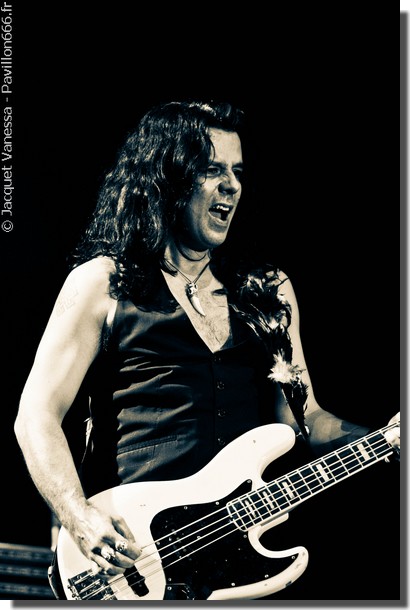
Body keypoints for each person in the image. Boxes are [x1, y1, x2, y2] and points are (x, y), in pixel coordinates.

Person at [14, 100, 400, 601]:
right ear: (165, 180)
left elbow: (306, 420)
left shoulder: (267, 292)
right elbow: (36, 416)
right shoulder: (103, 283)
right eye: (212, 170)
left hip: (234, 564)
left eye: (237, 171)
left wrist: (386, 437)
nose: (231, 186)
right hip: (134, 560)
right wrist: (79, 517)